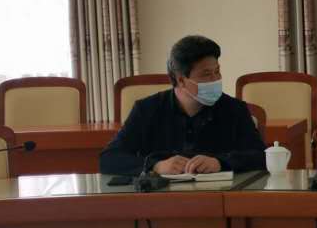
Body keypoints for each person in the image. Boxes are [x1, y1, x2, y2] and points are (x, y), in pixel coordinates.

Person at [99, 34, 267, 176]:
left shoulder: (234, 109)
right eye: (206, 74)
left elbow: (261, 156)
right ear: (181, 80)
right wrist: (155, 166)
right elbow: (109, 158)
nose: (215, 79)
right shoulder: (146, 110)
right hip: (161, 200)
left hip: (217, 198)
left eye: (217, 71)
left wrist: (220, 163)